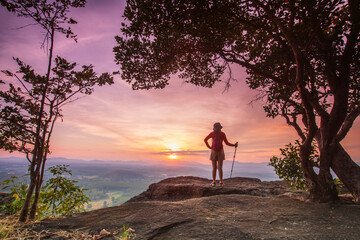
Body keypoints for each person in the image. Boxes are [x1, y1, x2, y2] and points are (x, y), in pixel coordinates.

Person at [204, 122, 238, 187]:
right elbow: (227, 143)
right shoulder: (222, 134)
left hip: (213, 151)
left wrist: (209, 147)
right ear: (220, 128)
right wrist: (234, 145)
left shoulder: (212, 133)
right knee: (220, 167)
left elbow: (205, 140)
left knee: (214, 167)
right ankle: (221, 182)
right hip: (220, 151)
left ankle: (213, 182)